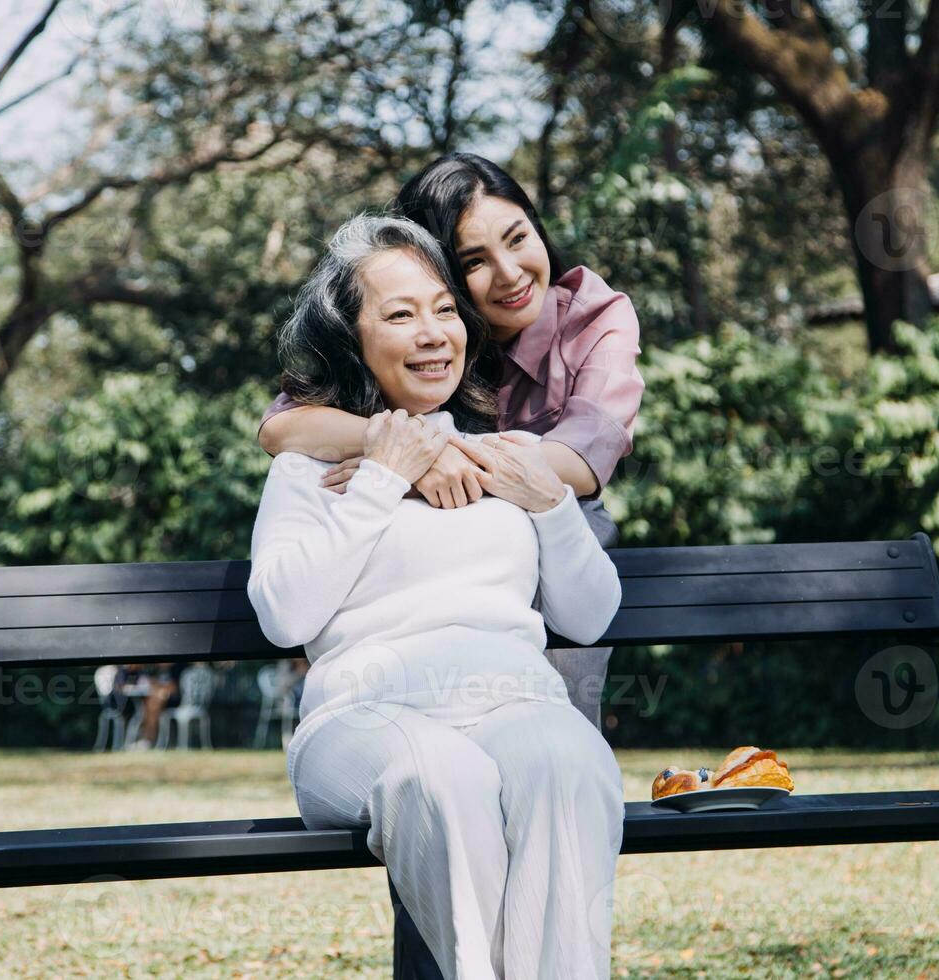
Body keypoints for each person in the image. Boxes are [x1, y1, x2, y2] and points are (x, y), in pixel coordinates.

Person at [247, 214, 625, 980]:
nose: (431, 334)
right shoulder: (314, 465)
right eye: (399, 314)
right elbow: (283, 612)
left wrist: (549, 503)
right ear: (351, 340)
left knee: (571, 761)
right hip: (362, 722)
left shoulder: (509, 454)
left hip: (515, 704)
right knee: (438, 775)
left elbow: (589, 615)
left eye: (444, 309)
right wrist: (384, 474)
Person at [258, 152, 644, 730]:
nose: (510, 273)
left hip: (563, 528)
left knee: (553, 735)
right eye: (475, 261)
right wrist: (408, 450)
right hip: (437, 560)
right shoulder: (429, 327)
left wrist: (441, 459)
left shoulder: (594, 317)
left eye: (518, 239)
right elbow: (283, 427)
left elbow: (580, 463)